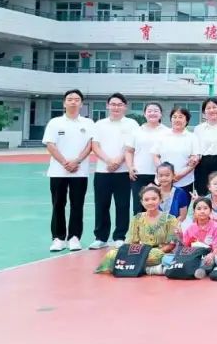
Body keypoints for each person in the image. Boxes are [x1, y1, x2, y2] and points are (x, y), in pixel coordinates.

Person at [43, 89, 95, 252]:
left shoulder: (88, 123)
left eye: (77, 99)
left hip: (80, 171)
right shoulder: (55, 122)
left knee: (77, 205)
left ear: (81, 103)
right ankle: (58, 238)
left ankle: (74, 237)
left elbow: (90, 145)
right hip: (58, 171)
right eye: (70, 99)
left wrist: (77, 161)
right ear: (64, 103)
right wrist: (65, 162)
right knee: (58, 204)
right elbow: (50, 144)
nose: (73, 102)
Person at [89, 92, 139, 249]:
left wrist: (118, 160)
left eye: (119, 104)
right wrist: (109, 161)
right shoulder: (99, 124)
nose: (116, 107)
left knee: (122, 205)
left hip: (123, 171)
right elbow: (95, 146)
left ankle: (119, 236)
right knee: (101, 205)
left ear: (125, 107)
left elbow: (130, 146)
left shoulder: (131, 124)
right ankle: (101, 237)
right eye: (113, 104)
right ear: (107, 106)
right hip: (102, 171)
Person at [94, 184, 179, 274]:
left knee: (161, 258)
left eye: (154, 199)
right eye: (146, 200)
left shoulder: (170, 219)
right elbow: (132, 242)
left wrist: (155, 252)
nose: (150, 202)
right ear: (142, 202)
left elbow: (171, 245)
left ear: (160, 199)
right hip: (141, 251)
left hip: (160, 252)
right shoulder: (137, 218)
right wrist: (132, 253)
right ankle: (148, 269)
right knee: (112, 255)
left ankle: (141, 268)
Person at [126, 102, 169, 213]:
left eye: (156, 111)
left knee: (159, 208)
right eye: (149, 111)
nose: (152, 113)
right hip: (139, 174)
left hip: (161, 176)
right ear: (144, 114)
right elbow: (129, 151)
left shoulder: (167, 132)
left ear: (161, 114)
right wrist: (130, 167)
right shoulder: (136, 131)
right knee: (139, 208)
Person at [179, 198, 217, 279]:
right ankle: (195, 269)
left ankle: (200, 270)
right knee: (166, 258)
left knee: (214, 260)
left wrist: (211, 255)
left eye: (205, 208)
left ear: (210, 211)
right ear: (194, 212)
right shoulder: (191, 228)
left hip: (211, 256)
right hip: (195, 256)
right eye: (199, 209)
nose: (202, 211)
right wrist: (180, 236)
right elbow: (186, 246)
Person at [193, 98, 217, 197]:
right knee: (202, 195)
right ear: (204, 112)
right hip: (202, 165)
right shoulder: (198, 129)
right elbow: (196, 149)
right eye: (208, 108)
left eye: (214, 107)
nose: (212, 110)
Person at [153, 106, 199, 192]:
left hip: (184, 181)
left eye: (180, 117)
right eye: (174, 117)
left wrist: (178, 176)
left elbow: (194, 160)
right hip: (163, 181)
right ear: (171, 119)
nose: (177, 119)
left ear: (187, 120)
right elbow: (155, 155)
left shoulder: (192, 137)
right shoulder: (162, 135)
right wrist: (164, 173)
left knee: (182, 201)